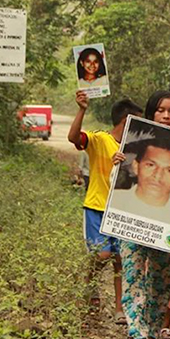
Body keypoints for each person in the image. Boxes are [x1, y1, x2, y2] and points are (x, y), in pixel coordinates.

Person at [114, 91, 170, 339]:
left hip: (168, 221)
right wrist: (117, 163)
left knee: (161, 274)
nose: (166, 116)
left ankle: (152, 328)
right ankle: (136, 329)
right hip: (132, 217)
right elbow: (117, 180)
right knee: (133, 270)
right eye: (160, 110)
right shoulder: (135, 138)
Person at [67, 90, 143, 325]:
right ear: (126, 121)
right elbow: (73, 138)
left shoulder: (137, 146)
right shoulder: (100, 139)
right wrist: (82, 110)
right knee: (102, 255)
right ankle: (90, 288)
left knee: (120, 259)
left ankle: (120, 308)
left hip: (122, 211)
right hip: (96, 208)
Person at [110, 129, 170, 227]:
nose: (157, 175)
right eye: (150, 165)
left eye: (169, 171)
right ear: (136, 166)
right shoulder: (112, 200)